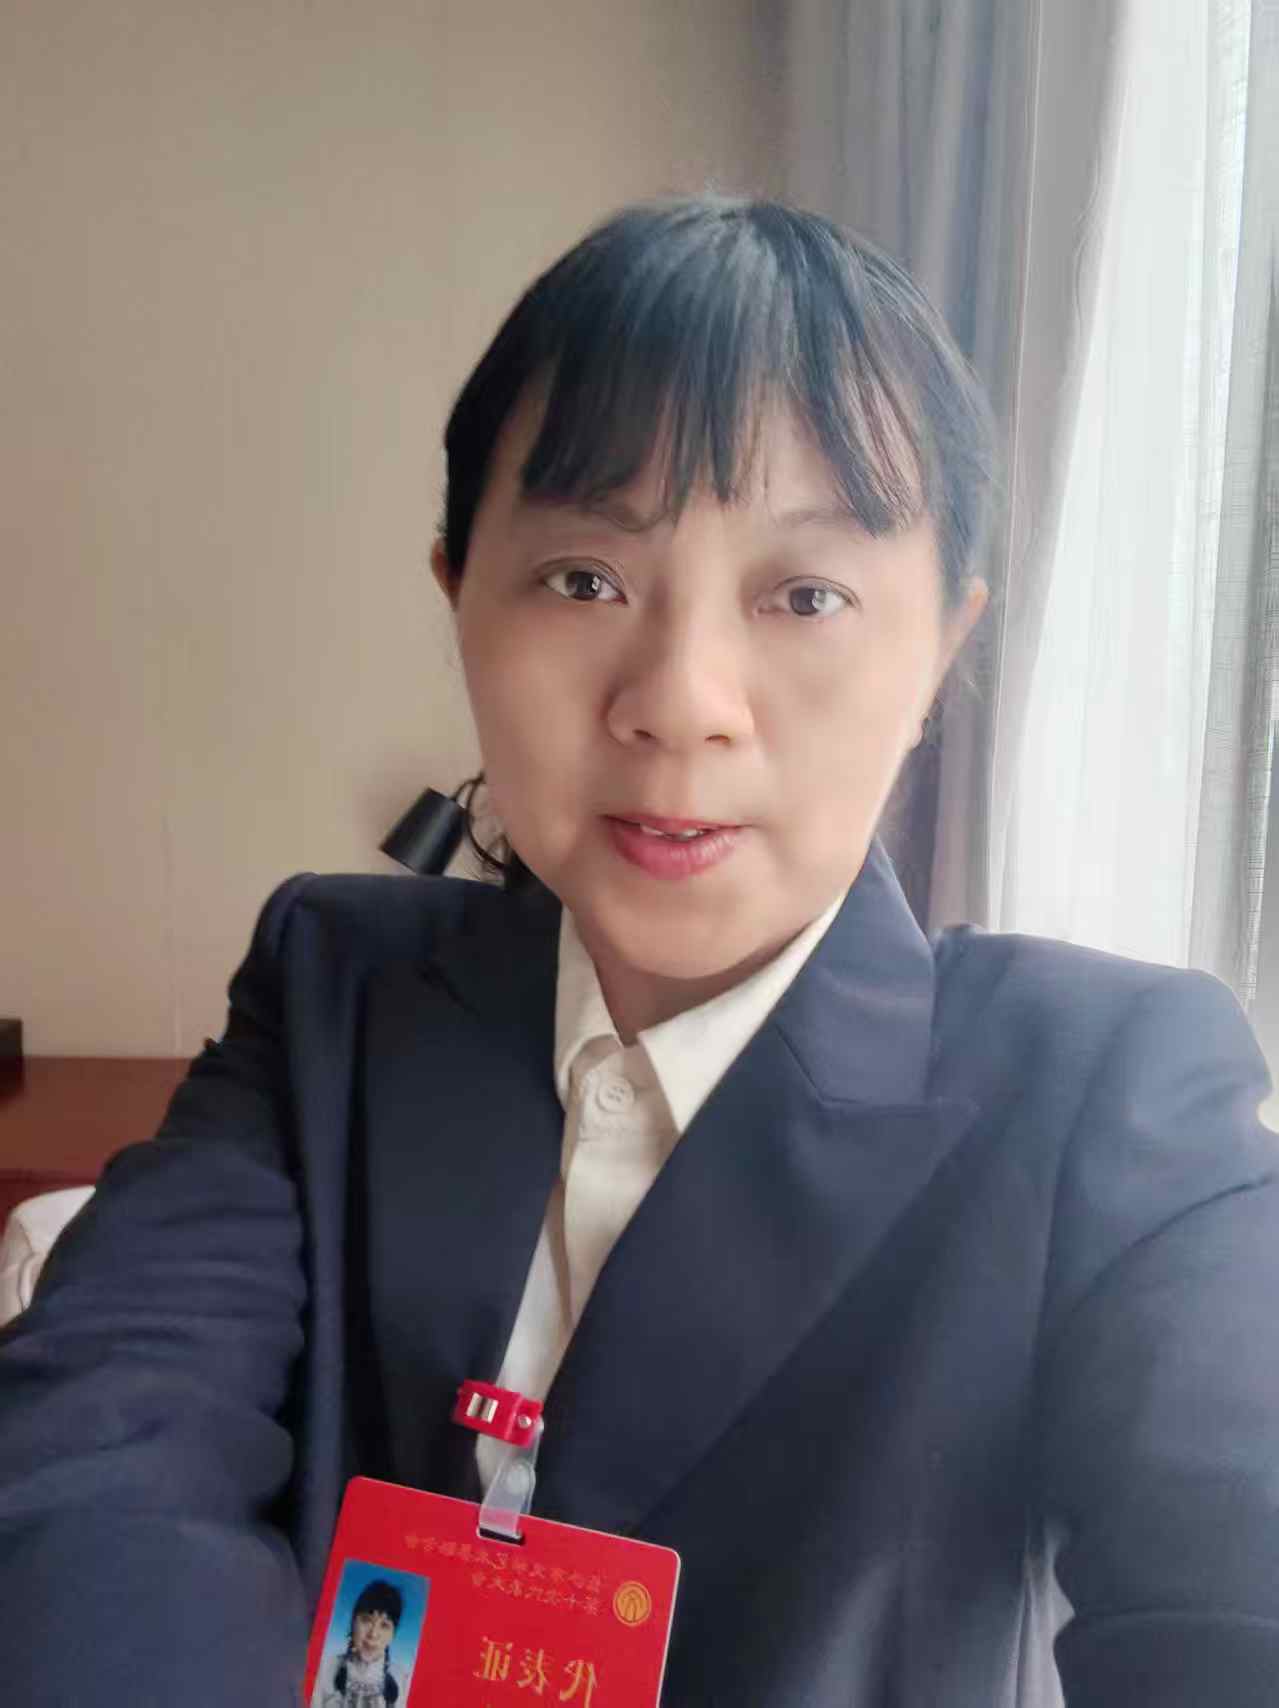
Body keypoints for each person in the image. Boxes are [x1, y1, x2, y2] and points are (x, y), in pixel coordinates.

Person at [0, 193, 1276, 1707]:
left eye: (805, 595)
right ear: (457, 596)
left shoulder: (1109, 1098)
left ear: (941, 647)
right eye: (583, 580)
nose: (680, 702)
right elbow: (94, 1454)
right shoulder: (334, 985)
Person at [312, 1579, 406, 1708]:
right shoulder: (326, 1669)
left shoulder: (401, 1680)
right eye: (366, 1620)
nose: (373, 1634)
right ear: (353, 1622)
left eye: (384, 1625)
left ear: (393, 1635)